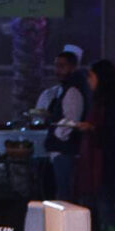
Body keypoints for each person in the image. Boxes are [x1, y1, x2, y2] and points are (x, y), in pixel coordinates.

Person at [74, 58, 115, 231]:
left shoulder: (112, 102)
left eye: (91, 76)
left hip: (105, 167)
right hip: (96, 167)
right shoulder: (98, 101)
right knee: (98, 209)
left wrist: (93, 129)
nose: (89, 80)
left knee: (105, 209)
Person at [36, 47, 87, 201]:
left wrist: (57, 137)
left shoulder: (72, 90)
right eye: (56, 66)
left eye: (62, 66)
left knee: (64, 195)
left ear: (73, 67)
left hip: (65, 150)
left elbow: (70, 121)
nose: (57, 70)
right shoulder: (65, 89)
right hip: (62, 150)